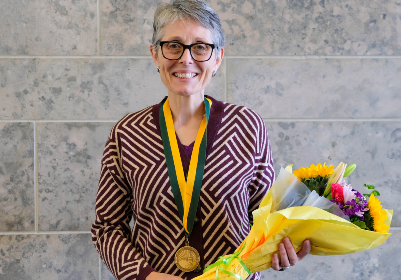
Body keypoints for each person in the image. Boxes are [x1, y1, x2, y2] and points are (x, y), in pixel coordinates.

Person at [91, 1, 311, 279]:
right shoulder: (128, 133)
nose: (186, 59)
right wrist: (145, 276)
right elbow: (107, 228)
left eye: (200, 47)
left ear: (217, 58)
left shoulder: (246, 126)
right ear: (155, 54)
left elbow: (265, 222)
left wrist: (281, 249)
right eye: (173, 45)